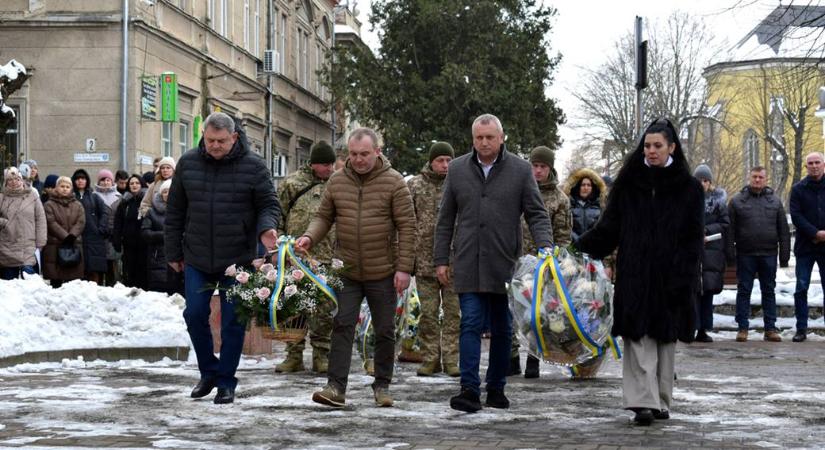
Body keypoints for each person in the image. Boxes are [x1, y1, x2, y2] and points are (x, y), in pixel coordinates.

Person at [577, 118, 704, 425]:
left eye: (657, 146)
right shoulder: (630, 183)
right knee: (637, 338)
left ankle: (660, 401)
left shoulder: (688, 189)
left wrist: (684, 276)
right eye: (647, 146)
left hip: (672, 275)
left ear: (671, 147)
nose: (651, 151)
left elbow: (692, 239)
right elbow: (610, 227)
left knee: (664, 340)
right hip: (635, 273)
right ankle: (641, 402)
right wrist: (580, 248)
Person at [434, 114, 552, 413]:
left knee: (503, 328)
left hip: (505, 264)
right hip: (468, 262)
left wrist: (546, 248)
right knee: (470, 322)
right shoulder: (458, 169)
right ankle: (469, 389)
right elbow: (445, 219)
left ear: (501, 138)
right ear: (472, 139)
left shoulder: (521, 170)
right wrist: (440, 260)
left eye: (489, 137)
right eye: (478, 137)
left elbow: (537, 214)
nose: (484, 142)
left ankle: (496, 387)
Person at [295, 127, 416, 409]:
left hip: (383, 271)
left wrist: (404, 268)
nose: (359, 159)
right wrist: (309, 236)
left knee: (385, 330)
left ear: (377, 151)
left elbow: (407, 227)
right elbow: (324, 216)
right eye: (353, 154)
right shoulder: (337, 181)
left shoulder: (394, 182)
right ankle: (335, 387)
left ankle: (382, 385)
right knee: (342, 325)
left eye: (364, 154)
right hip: (346, 269)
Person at [165, 112, 280, 405]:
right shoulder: (188, 164)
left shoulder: (253, 166)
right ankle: (208, 371)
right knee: (193, 314)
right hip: (197, 254)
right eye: (209, 139)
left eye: (221, 141)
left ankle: (226, 381)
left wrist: (267, 228)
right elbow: (175, 212)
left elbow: (269, 203)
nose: (214, 146)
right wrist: (173, 252)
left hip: (237, 258)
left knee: (233, 322)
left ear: (234, 138)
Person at [274, 140, 337, 375]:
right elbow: (278, 215)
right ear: (312, 164)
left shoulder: (337, 184)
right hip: (294, 257)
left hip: (326, 256)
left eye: (331, 164)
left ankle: (322, 355)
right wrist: (280, 244)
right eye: (324, 164)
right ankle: (293, 354)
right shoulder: (292, 184)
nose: (329, 169)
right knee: (293, 307)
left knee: (323, 309)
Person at [512, 145, 572, 379]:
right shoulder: (519, 190)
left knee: (538, 314)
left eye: (542, 167)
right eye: (534, 166)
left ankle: (533, 359)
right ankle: (512, 358)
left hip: (543, 265)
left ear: (550, 168)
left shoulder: (559, 199)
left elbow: (563, 235)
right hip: (517, 261)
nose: (537, 171)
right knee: (514, 311)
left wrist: (558, 263)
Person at [408, 141, 460, 378]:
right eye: (440, 160)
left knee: (453, 314)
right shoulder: (415, 186)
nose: (445, 165)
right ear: (431, 161)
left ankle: (451, 359)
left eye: (449, 160)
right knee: (428, 313)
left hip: (455, 261)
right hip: (425, 261)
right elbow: (407, 224)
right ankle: (430, 358)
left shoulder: (461, 185)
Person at [727, 166, 790, 343]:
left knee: (768, 291)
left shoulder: (775, 202)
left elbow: (783, 231)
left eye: (760, 177)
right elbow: (729, 230)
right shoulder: (737, 201)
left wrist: (784, 256)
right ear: (749, 178)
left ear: (765, 179)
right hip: (745, 254)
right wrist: (729, 254)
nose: (757, 180)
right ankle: (742, 328)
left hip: (768, 254)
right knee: (744, 290)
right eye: (754, 177)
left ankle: (770, 328)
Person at [789, 152, 825, 343]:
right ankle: (801, 328)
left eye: (817, 162)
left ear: (824, 164)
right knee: (801, 288)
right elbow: (796, 216)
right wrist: (815, 233)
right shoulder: (798, 189)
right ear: (806, 167)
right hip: (805, 246)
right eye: (810, 163)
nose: (814, 166)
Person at [692, 164, 729, 343]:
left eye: (706, 180)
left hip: (711, 252)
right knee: (691, 292)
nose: (702, 183)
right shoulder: (686, 199)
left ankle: (703, 329)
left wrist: (706, 231)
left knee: (707, 292)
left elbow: (725, 224)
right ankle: (690, 327)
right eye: (699, 179)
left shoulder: (719, 202)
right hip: (691, 252)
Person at [0, 167, 47, 279]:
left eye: (17, 179)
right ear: (6, 182)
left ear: (21, 180)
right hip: (7, 247)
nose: (14, 182)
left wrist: (41, 241)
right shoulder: (2, 197)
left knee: (29, 287)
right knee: (10, 286)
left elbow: (40, 218)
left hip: (29, 246)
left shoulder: (32, 196)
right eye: (10, 180)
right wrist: (4, 223)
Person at [42, 176, 86, 288]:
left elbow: (81, 222)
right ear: (56, 188)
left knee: (72, 284)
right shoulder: (49, 204)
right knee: (56, 282)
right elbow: (51, 222)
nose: (65, 189)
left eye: (67, 186)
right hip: (55, 246)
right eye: (62, 186)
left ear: (71, 188)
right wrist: (65, 236)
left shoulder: (78, 205)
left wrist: (72, 236)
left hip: (73, 244)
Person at [142, 179, 182, 295]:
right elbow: (145, 233)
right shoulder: (151, 212)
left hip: (178, 257)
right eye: (165, 191)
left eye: (171, 191)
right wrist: (164, 235)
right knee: (159, 294)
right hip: (157, 257)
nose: (168, 194)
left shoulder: (182, 211)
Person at [72, 169, 109, 284]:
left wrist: (101, 228)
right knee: (79, 267)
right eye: (78, 179)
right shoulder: (71, 196)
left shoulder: (94, 196)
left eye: (83, 178)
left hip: (94, 237)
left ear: (87, 180)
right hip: (77, 236)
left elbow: (105, 212)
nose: (80, 181)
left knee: (94, 269)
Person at [112, 174, 148, 290]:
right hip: (128, 243)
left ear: (141, 184)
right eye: (131, 183)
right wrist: (116, 239)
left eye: (137, 183)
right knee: (129, 270)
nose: (134, 185)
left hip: (144, 243)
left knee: (143, 270)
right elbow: (118, 222)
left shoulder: (147, 200)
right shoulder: (124, 202)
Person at [94, 169, 122, 286]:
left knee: (112, 264)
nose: (105, 183)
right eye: (103, 180)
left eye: (108, 180)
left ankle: (112, 286)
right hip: (99, 236)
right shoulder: (93, 196)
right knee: (99, 264)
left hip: (113, 236)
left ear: (112, 181)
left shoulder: (119, 196)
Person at [566, 168, 607, 244]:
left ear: (593, 188)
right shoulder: (569, 205)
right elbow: (566, 227)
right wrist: (577, 240)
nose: (586, 188)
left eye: (589, 185)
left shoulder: (600, 206)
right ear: (578, 187)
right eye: (583, 185)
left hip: (593, 246)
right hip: (573, 246)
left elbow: (601, 228)